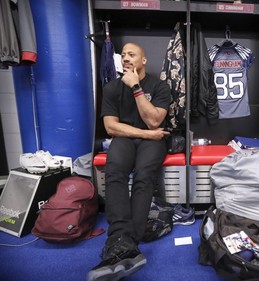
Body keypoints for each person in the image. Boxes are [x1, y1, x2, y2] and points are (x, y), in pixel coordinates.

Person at [88, 43, 171, 281]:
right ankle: (121, 239)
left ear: (143, 60)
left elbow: (154, 120)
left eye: (131, 55)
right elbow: (111, 126)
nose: (125, 58)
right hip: (131, 137)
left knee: (145, 176)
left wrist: (135, 87)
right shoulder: (112, 87)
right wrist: (144, 133)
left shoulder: (159, 86)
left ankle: (125, 243)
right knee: (115, 173)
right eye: (123, 55)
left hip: (152, 141)